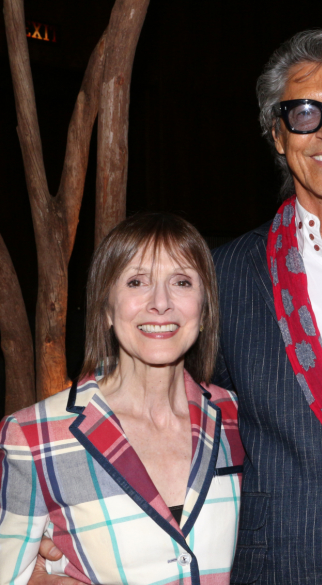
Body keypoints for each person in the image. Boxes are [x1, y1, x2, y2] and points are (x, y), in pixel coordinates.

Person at [32, 28, 322, 585]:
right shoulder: (221, 276)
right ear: (278, 135)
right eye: (303, 113)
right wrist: (60, 513)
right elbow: (142, 400)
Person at [1, 213, 244, 584]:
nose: (160, 303)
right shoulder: (33, 437)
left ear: (206, 309)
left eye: (181, 281)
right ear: (106, 309)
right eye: (136, 282)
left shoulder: (238, 419)